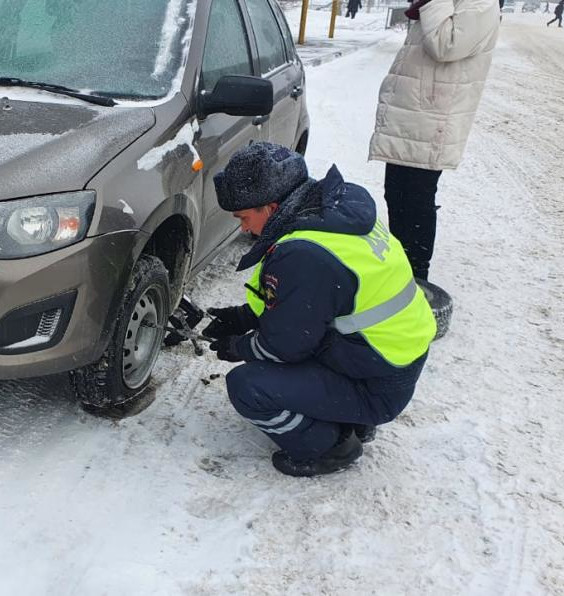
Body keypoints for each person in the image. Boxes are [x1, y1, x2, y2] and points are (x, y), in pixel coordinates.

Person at [204, 143, 436, 477]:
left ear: (270, 207)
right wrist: (240, 317)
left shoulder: (304, 253)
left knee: (248, 385)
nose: (243, 229)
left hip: (377, 382)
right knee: (292, 347)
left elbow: (284, 346)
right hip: (387, 357)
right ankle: (351, 416)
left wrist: (236, 346)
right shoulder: (334, 213)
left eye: (243, 217)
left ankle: (330, 445)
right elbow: (309, 304)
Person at [369, 0, 500, 336]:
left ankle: (416, 284)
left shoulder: (479, 4)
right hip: (416, 118)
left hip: (432, 120)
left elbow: (446, 45)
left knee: (415, 201)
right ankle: (402, 277)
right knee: (399, 196)